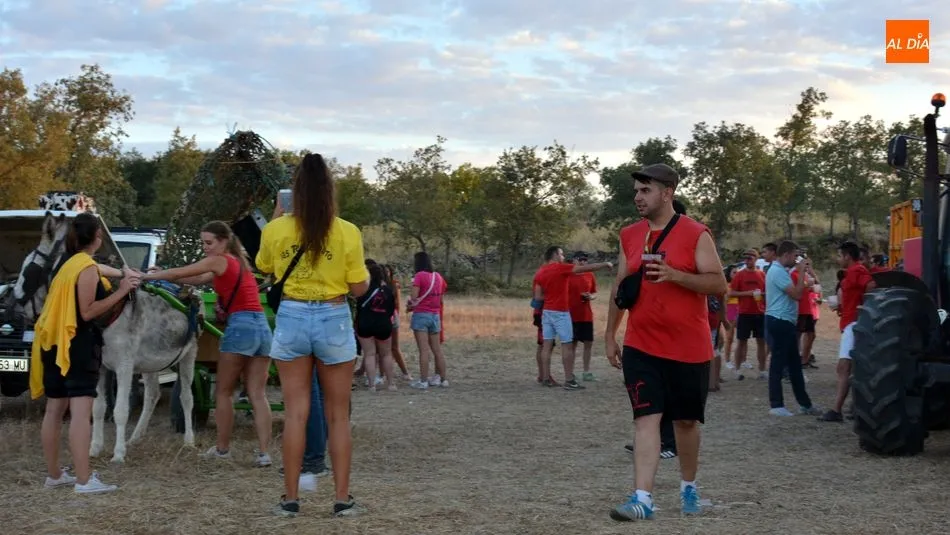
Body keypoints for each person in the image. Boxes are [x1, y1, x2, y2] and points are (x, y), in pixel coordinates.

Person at [605, 163, 727, 522]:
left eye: (645, 190)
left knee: (685, 423)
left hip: (688, 347)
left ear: (667, 192)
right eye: (636, 191)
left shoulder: (695, 233)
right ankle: (642, 499)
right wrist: (610, 334)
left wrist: (675, 275)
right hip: (641, 345)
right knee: (645, 418)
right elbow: (620, 287)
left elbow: (718, 283)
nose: (638, 197)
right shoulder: (629, 235)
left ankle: (689, 487)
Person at [256, 153, 370, 517]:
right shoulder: (347, 231)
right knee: (338, 416)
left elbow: (263, 266)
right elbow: (358, 288)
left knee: (295, 414)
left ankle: (290, 500)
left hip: (291, 316)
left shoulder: (276, 229)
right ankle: (342, 499)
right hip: (333, 316)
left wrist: (277, 216)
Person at [143, 221, 274, 466]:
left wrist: (147, 275)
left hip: (241, 325)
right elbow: (196, 278)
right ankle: (264, 453)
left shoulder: (219, 260)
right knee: (258, 394)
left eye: (208, 242)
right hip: (262, 327)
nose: (205, 247)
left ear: (223, 241)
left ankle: (223, 449)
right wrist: (164, 273)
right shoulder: (238, 263)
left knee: (224, 392)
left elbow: (180, 273)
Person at [31, 212, 141, 494]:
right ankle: (83, 481)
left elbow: (97, 268)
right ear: (97, 237)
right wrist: (123, 290)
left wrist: (123, 273)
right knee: (81, 414)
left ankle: (55, 475)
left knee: (54, 410)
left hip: (53, 343)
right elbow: (88, 311)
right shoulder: (87, 268)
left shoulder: (68, 264)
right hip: (77, 345)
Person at [534, 246, 612, 390]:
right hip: (561, 312)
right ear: (555, 255)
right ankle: (569, 380)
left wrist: (551, 297)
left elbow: (538, 297)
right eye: (561, 254)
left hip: (547, 312)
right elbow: (586, 268)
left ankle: (545, 378)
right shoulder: (560, 268)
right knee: (567, 345)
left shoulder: (540, 272)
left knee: (547, 345)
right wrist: (604, 264)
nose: (563, 257)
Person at [819, 241, 876, 423]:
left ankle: (837, 410)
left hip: (853, 323)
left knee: (844, 367)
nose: (838, 259)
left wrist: (864, 307)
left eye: (840, 256)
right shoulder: (851, 272)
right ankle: (850, 406)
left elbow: (871, 285)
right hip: (849, 321)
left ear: (847, 256)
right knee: (847, 367)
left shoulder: (857, 270)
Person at [764, 241, 821, 416]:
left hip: (785, 321)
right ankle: (776, 405)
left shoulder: (781, 271)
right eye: (794, 255)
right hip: (779, 320)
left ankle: (805, 404)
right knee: (778, 363)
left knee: (794, 365)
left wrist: (800, 271)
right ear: (786, 254)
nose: (796, 259)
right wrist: (802, 271)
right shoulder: (777, 272)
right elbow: (796, 295)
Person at [407, 252, 449, 389]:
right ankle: (443, 379)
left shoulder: (419, 276)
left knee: (424, 350)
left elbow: (414, 297)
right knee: (437, 350)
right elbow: (441, 299)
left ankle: (423, 381)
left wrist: (409, 304)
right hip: (435, 315)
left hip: (421, 315)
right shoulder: (438, 276)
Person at [356, 263, 397, 391]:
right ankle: (391, 384)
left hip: (365, 324)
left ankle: (372, 385)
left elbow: (358, 308)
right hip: (383, 324)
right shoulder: (388, 291)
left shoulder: (362, 290)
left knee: (369, 354)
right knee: (386, 354)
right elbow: (391, 309)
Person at [728, 250, 767, 380]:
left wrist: (763, 295)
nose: (747, 260)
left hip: (759, 313)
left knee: (761, 342)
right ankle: (737, 369)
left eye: (750, 258)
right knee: (741, 341)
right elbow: (731, 293)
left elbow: (766, 292)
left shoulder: (762, 274)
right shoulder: (740, 275)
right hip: (744, 313)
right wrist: (748, 293)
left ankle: (762, 370)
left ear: (756, 259)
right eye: (745, 258)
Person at [568, 251, 598, 382]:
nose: (582, 262)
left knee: (588, 343)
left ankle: (586, 372)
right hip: (571, 315)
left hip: (586, 315)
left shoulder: (590, 274)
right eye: (580, 259)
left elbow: (594, 293)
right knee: (572, 344)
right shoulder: (569, 274)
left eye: (585, 260)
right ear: (574, 260)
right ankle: (570, 371)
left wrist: (591, 297)